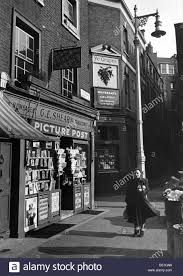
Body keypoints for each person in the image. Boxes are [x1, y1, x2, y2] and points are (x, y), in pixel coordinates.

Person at [125, 168, 160, 237]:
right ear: (133, 174)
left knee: (142, 216)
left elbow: (147, 190)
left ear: (140, 174)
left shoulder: (144, 180)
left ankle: (142, 230)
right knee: (135, 216)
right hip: (133, 202)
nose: (136, 174)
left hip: (142, 201)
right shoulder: (130, 181)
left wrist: (143, 189)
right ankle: (136, 230)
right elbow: (128, 192)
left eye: (137, 173)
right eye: (135, 173)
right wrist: (128, 200)